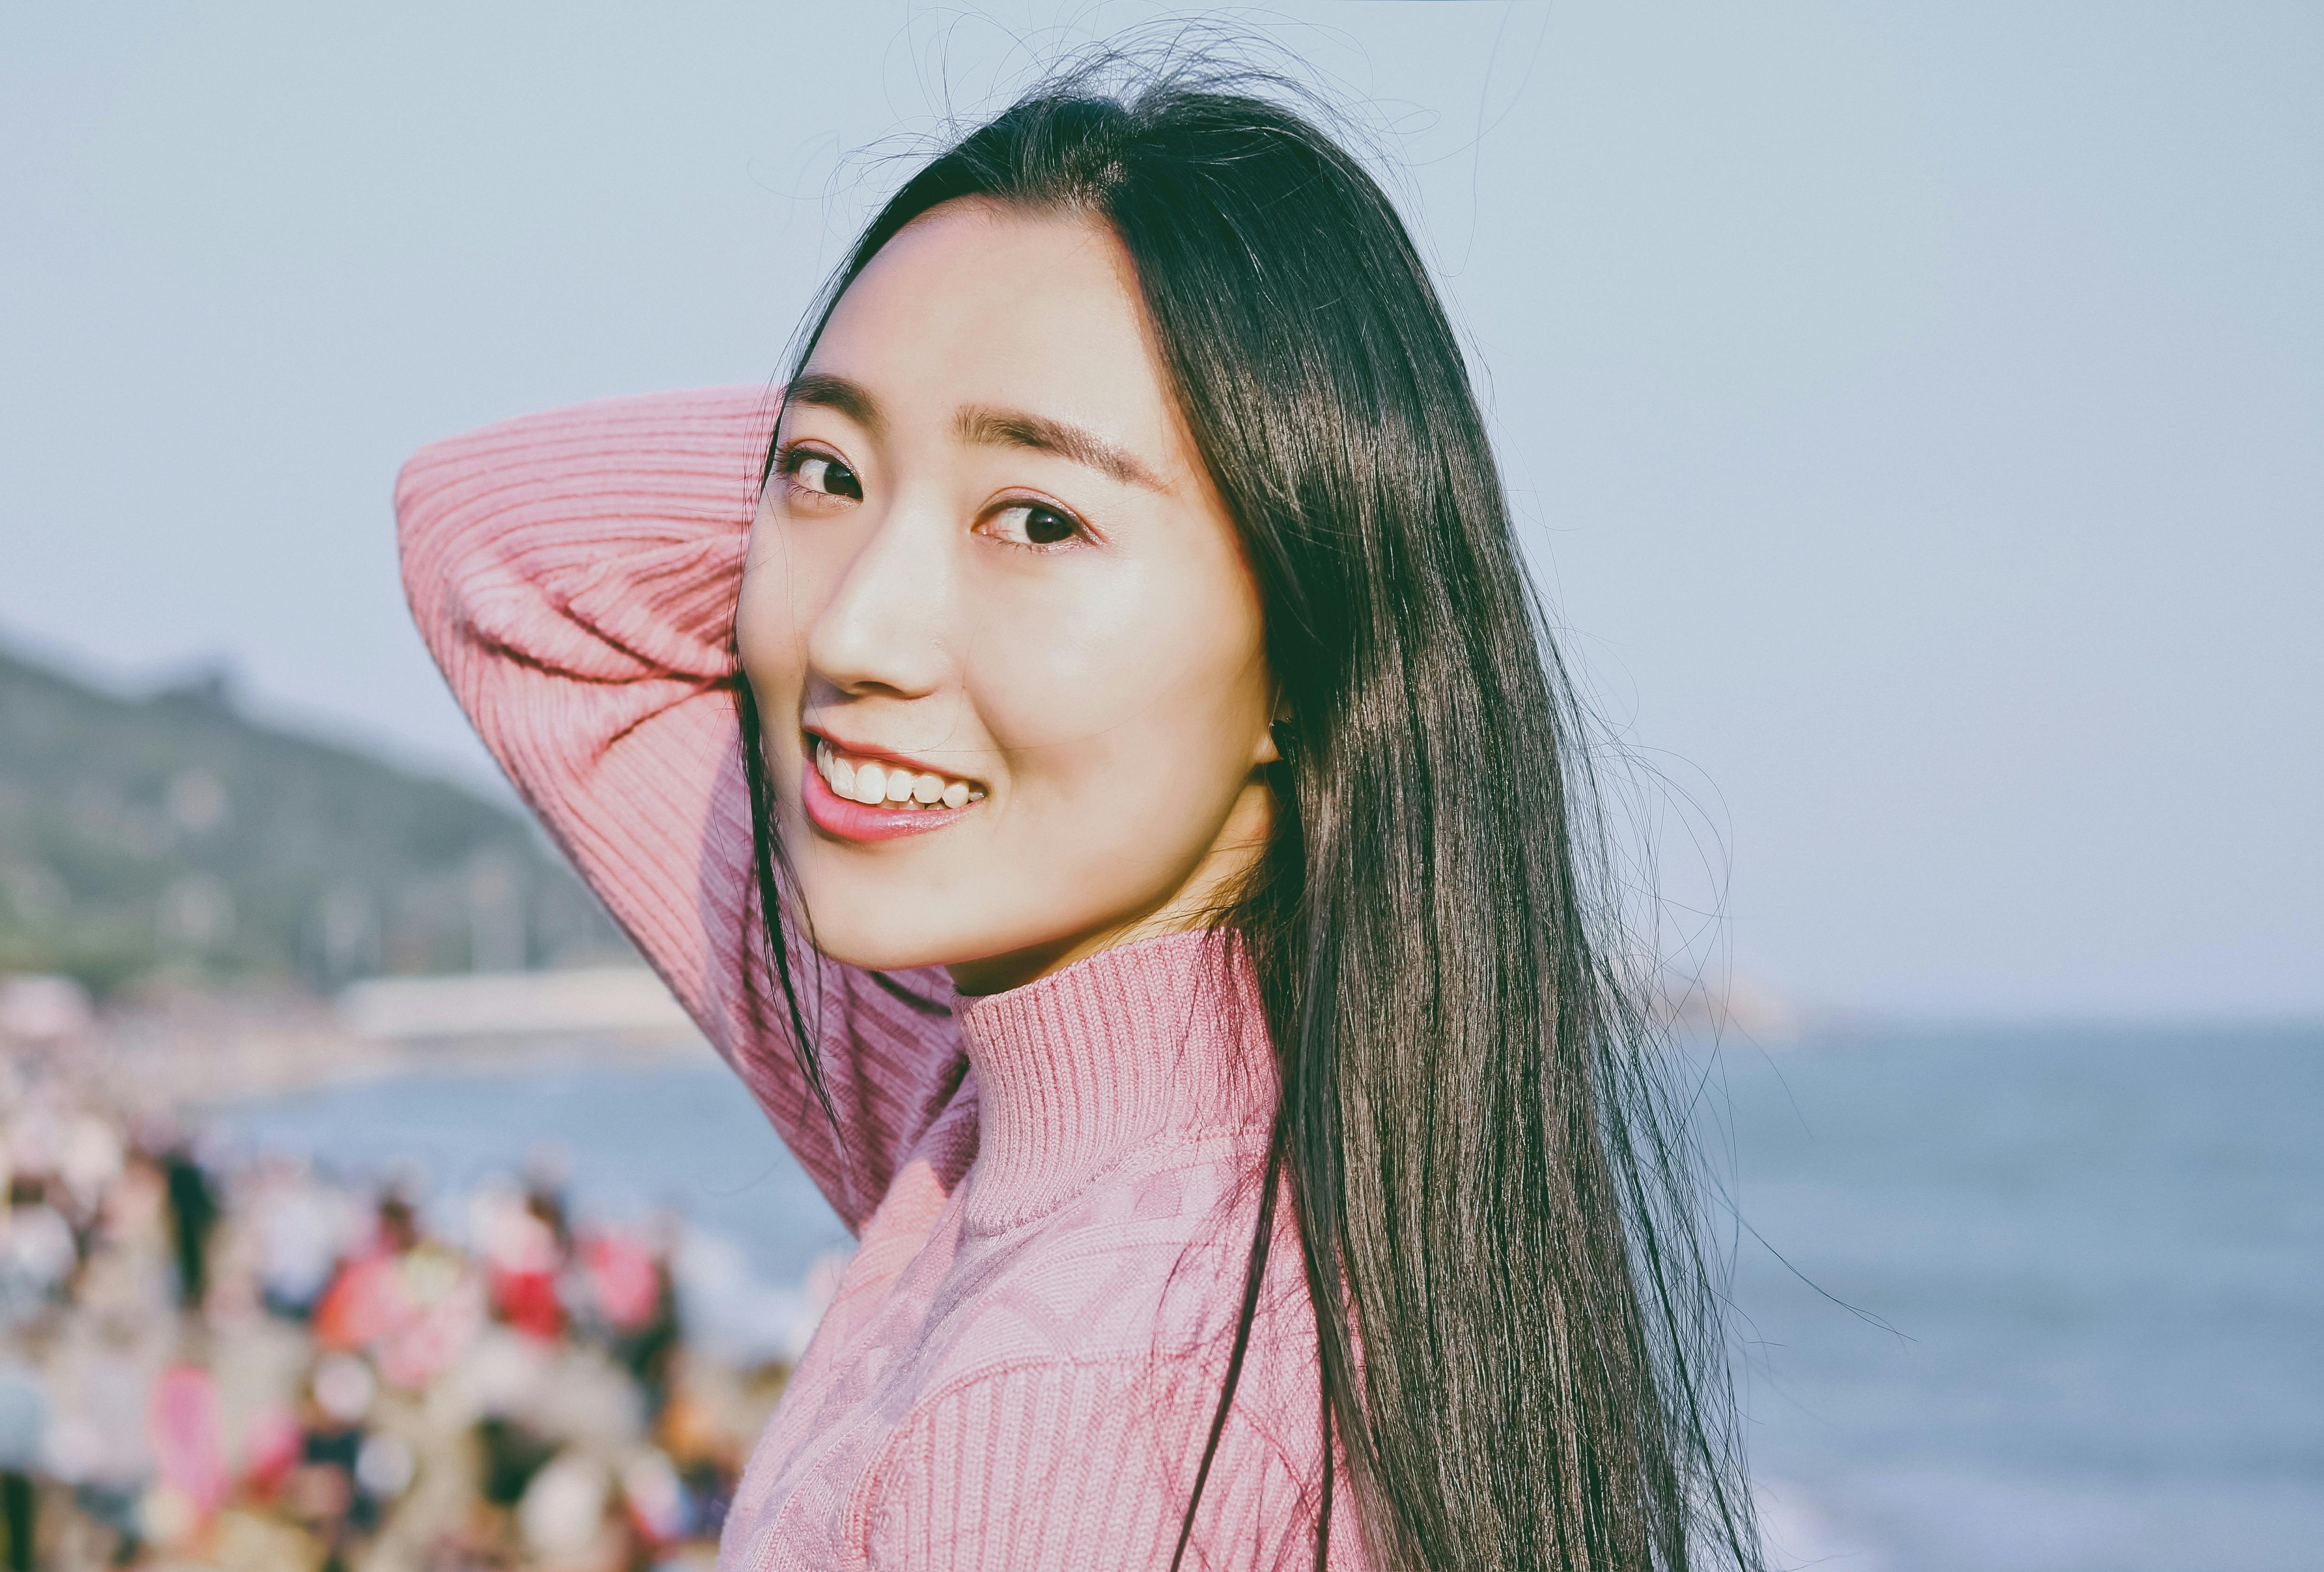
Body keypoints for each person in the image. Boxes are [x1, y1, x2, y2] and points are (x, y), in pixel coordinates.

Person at [398, 55, 1756, 1572]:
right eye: (823, 479)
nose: (854, 634)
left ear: (1309, 638)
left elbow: (500, 565)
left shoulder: (1073, 1405)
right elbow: (489, 541)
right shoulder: (1054, 1128)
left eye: (1041, 521)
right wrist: (936, 429)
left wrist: (909, 437)